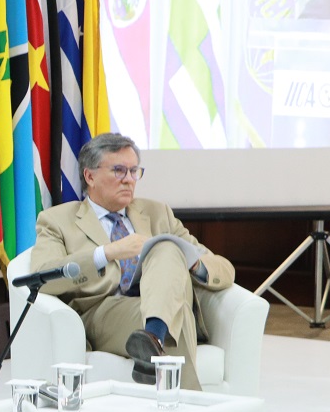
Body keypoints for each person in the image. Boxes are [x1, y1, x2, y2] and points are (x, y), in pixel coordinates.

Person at [28, 133, 234, 391]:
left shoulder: (158, 213)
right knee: (176, 314)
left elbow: (224, 269)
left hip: (158, 305)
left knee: (168, 249)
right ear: (90, 176)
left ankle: (152, 338)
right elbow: (42, 277)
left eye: (134, 171)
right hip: (105, 311)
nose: (128, 179)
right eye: (118, 170)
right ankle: (192, 411)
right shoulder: (57, 220)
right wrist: (106, 252)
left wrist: (195, 265)